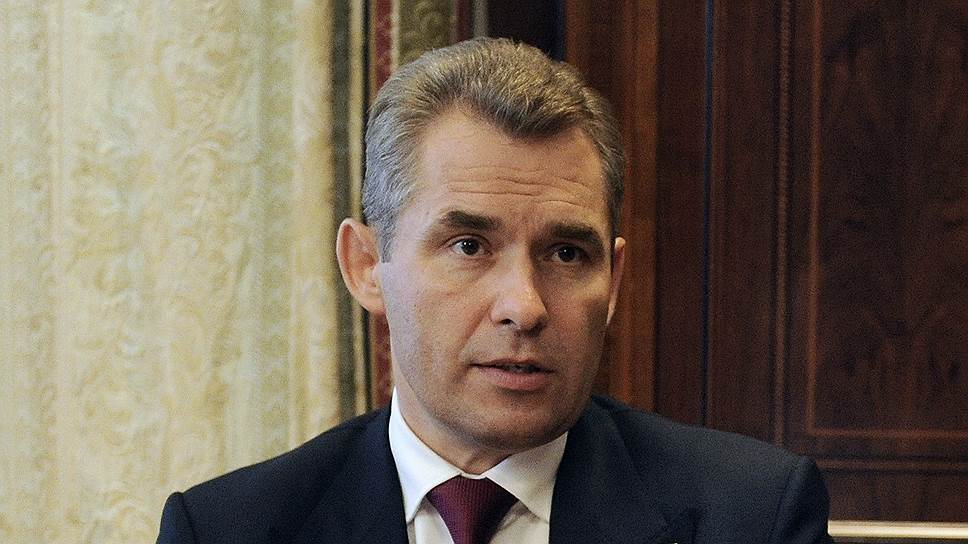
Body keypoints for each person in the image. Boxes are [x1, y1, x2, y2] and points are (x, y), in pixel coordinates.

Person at [157, 37, 833, 544]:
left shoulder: (751, 518)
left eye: (566, 253)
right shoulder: (227, 530)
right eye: (469, 247)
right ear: (366, 266)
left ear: (614, 282)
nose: (525, 306)